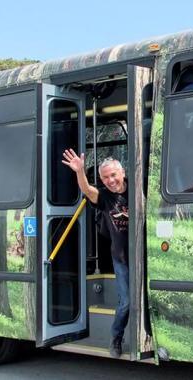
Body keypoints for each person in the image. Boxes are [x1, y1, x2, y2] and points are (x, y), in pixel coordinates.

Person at [61, 149, 129, 358]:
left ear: (123, 172)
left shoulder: (138, 188)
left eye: (113, 175)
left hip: (146, 257)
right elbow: (86, 189)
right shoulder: (104, 196)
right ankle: (116, 338)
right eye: (106, 177)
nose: (111, 180)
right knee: (126, 302)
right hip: (121, 258)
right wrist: (79, 171)